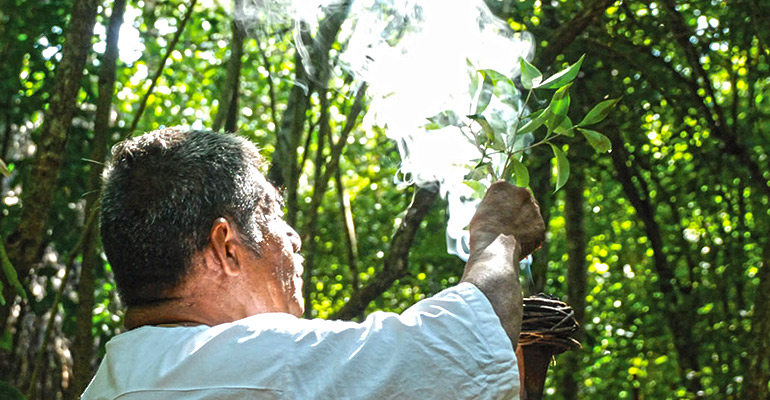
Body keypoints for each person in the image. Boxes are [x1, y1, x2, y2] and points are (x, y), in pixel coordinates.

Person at [82, 127, 545, 399]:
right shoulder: (257, 362)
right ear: (225, 246)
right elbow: (458, 349)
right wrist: (496, 239)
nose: (294, 238)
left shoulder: (110, 383)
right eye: (273, 214)